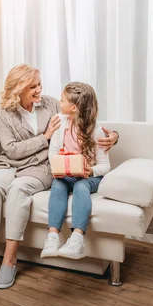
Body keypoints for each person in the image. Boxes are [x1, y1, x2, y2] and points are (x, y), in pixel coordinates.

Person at [0, 64, 118, 289]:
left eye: (39, 84)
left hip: (40, 166)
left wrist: (115, 136)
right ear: (17, 89)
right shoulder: (4, 114)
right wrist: (45, 137)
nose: (39, 90)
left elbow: (84, 118)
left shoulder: (52, 105)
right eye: (32, 86)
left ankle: (9, 261)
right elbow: (11, 150)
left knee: (18, 189)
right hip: (9, 163)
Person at [41, 82, 110, 259]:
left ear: (73, 107)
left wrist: (90, 170)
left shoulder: (97, 130)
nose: (59, 101)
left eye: (62, 99)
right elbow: (53, 152)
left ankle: (77, 239)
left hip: (90, 177)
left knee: (81, 186)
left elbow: (105, 166)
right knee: (58, 185)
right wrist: (60, 165)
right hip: (67, 174)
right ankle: (52, 237)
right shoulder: (59, 121)